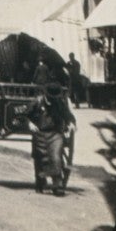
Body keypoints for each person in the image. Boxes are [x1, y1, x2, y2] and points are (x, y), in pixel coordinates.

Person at [27, 65, 75, 196]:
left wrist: (71, 123)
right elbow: (25, 115)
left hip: (55, 133)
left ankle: (57, 184)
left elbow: (68, 115)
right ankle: (40, 181)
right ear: (45, 94)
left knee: (56, 156)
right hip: (40, 133)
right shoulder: (37, 101)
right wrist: (30, 123)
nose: (52, 100)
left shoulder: (58, 103)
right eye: (50, 98)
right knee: (39, 157)